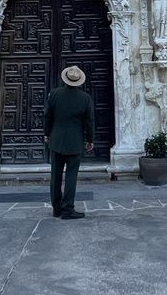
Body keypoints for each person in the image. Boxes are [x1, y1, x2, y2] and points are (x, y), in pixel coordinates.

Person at [44, 65, 95, 220]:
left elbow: (47, 116)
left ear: (65, 79)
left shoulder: (54, 94)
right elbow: (89, 121)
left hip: (56, 140)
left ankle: (56, 208)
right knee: (71, 175)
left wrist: (47, 134)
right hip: (75, 141)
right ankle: (68, 208)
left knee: (55, 175)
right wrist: (90, 140)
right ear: (79, 81)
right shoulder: (85, 98)